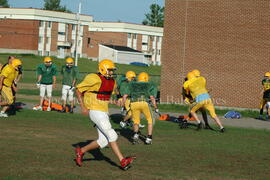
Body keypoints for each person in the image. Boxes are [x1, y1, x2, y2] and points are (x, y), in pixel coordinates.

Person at [75, 59, 135, 170]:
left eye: (112, 70)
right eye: (110, 70)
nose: (111, 72)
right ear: (103, 69)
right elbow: (78, 89)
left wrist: (115, 101)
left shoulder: (111, 81)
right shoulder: (93, 78)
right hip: (95, 111)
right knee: (112, 135)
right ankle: (123, 161)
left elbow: (103, 97)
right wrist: (83, 106)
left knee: (103, 141)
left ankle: (81, 151)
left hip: (103, 111)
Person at [122, 72, 158, 145]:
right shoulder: (148, 85)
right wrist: (155, 107)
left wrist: (123, 105)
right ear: (146, 78)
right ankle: (149, 138)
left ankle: (135, 134)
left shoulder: (132, 84)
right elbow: (152, 97)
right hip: (144, 103)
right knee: (150, 120)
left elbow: (125, 96)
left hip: (133, 103)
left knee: (136, 121)